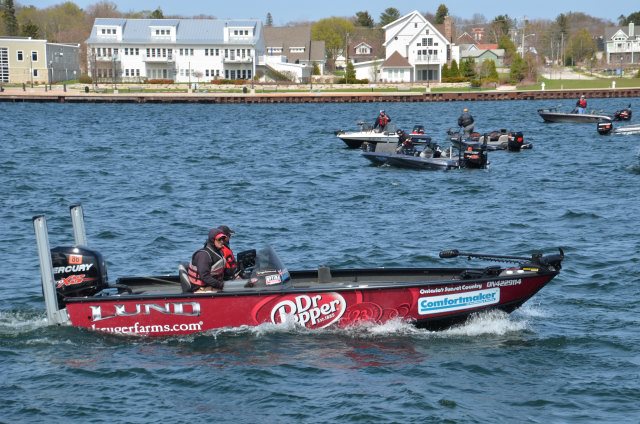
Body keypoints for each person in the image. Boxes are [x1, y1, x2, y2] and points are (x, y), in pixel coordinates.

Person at [186, 228, 228, 293]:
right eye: (219, 239)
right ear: (212, 240)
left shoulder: (219, 252)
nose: (222, 241)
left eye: (223, 239)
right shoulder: (204, 255)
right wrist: (222, 285)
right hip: (201, 289)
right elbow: (205, 276)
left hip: (214, 285)